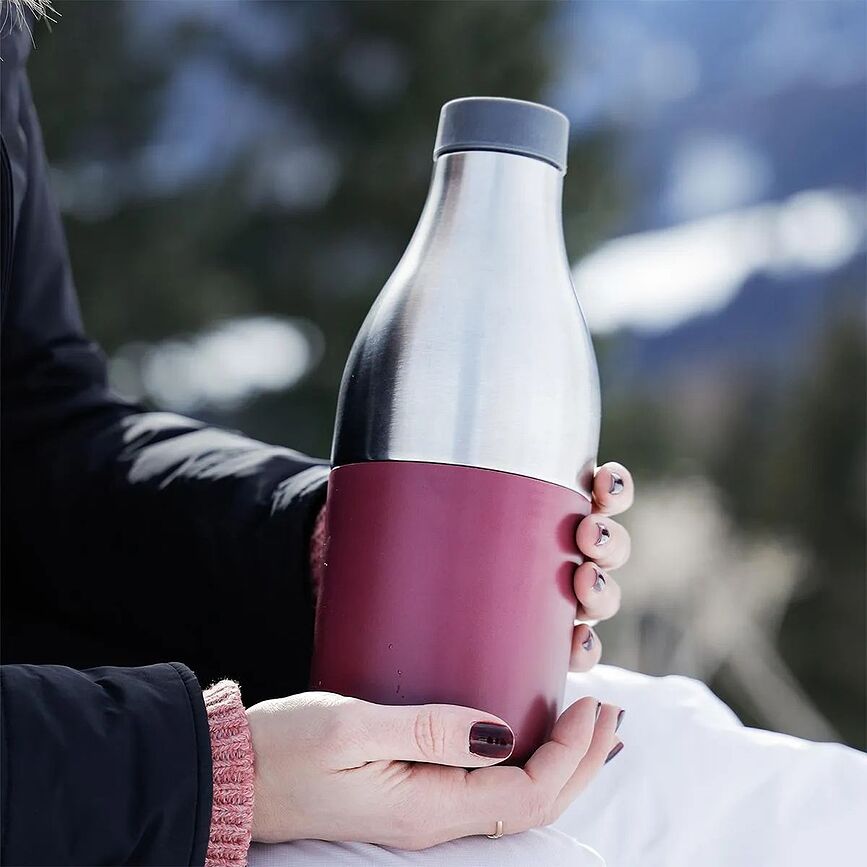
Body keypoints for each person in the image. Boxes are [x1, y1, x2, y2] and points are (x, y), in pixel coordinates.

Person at [0, 7, 636, 865]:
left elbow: (32, 420)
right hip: (92, 782)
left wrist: (317, 550)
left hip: (80, 735)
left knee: (675, 747)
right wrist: (213, 772)